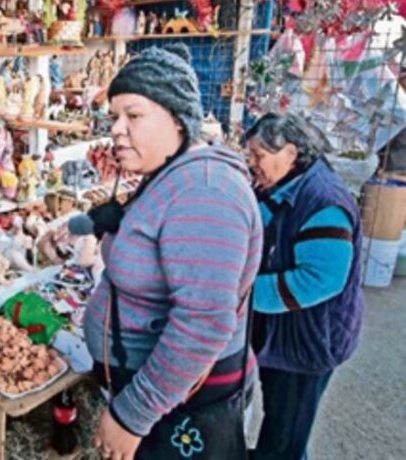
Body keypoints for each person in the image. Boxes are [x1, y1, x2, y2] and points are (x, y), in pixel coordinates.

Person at [79, 44, 262, 460]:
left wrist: (132, 415)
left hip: (181, 407)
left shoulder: (206, 190)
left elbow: (203, 323)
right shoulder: (171, 176)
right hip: (161, 396)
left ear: (178, 118)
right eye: (114, 117)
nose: (117, 129)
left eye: (134, 115)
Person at [244, 113, 364, 460]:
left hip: (309, 342)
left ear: (291, 153)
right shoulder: (280, 186)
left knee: (286, 433)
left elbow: (319, 279)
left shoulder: (324, 200)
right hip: (284, 334)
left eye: (258, 155)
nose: (251, 163)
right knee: (280, 419)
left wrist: (243, 294)